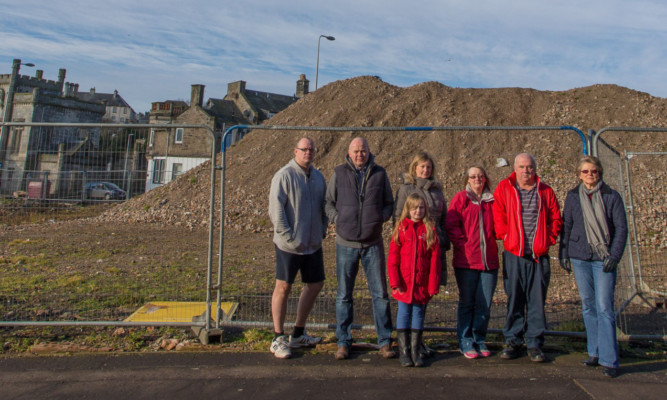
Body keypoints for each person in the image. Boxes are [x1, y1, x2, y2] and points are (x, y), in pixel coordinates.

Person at [325, 137, 395, 360]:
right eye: (356, 151)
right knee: (344, 295)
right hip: (346, 244)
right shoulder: (339, 172)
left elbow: (389, 203)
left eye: (363, 150)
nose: (359, 154)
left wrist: (380, 218)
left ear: (369, 151)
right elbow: (328, 203)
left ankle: (384, 341)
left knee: (380, 295)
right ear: (349, 152)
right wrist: (338, 219)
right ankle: (343, 341)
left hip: (372, 243)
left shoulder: (380, 174)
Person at [559, 156, 627, 378]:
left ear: (600, 173)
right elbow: (566, 225)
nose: (590, 175)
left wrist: (614, 256)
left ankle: (610, 359)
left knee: (605, 308)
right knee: (588, 305)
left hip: (603, 258)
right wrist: (564, 252)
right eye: (586, 171)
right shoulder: (572, 197)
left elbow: (621, 229)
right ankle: (594, 352)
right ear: (579, 174)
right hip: (580, 257)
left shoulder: (611, 196)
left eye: (594, 171)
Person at [493, 153, 562, 362]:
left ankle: (534, 343)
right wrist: (505, 236)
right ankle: (513, 340)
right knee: (514, 298)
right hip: (514, 254)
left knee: (536, 300)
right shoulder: (504, 188)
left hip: (538, 256)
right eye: (522, 167)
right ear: (515, 168)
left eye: (530, 167)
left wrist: (548, 239)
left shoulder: (546, 191)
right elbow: (498, 215)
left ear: (535, 168)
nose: (526, 171)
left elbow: (555, 217)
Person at [268, 137, 328, 359]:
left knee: (315, 284)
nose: (308, 153)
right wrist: (288, 237)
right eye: (304, 149)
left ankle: (298, 333)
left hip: (312, 244)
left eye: (311, 149)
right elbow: (276, 209)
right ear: (295, 151)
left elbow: (324, 207)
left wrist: (322, 229)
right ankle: (277, 337)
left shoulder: (319, 177)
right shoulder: (284, 175)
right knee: (283, 287)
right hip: (289, 245)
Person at [393, 151, 450, 358]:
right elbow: (398, 216)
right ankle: (406, 345)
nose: (425, 170)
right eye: (422, 167)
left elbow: (443, 219)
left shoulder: (437, 191)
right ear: (414, 168)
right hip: (410, 248)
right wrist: (400, 238)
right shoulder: (406, 189)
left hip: (432, 246)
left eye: (428, 167)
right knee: (408, 300)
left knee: (424, 295)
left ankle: (418, 343)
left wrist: (442, 239)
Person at [446, 165, 499, 359]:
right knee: (467, 302)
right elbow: (451, 224)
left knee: (484, 304)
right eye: (473, 176)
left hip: (489, 262)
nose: (477, 179)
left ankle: (479, 338)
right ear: (467, 180)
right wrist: (464, 246)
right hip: (467, 262)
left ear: (485, 179)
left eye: (480, 176)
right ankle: (465, 339)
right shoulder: (461, 199)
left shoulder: (492, 201)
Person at [388, 193, 441, 367]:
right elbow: (393, 259)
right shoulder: (401, 229)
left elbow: (435, 262)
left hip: (421, 284)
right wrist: (395, 282)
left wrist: (433, 285)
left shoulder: (429, 231)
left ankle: (415, 350)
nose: (418, 211)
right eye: (414, 208)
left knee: (418, 314)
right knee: (403, 314)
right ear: (408, 210)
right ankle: (404, 352)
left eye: (421, 208)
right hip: (404, 283)